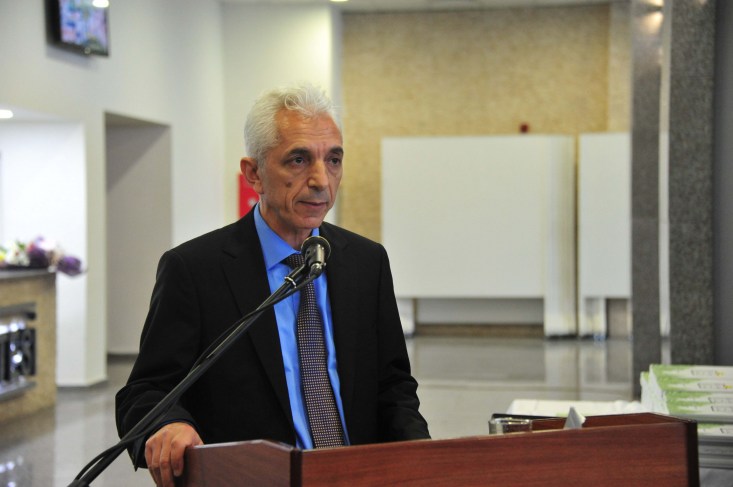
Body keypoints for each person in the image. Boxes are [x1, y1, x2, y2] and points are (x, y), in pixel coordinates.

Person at [115, 83, 430, 487]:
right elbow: (146, 390)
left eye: (333, 160)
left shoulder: (366, 262)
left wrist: (422, 459)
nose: (321, 180)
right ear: (254, 173)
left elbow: (394, 387)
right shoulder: (195, 270)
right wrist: (169, 423)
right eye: (299, 160)